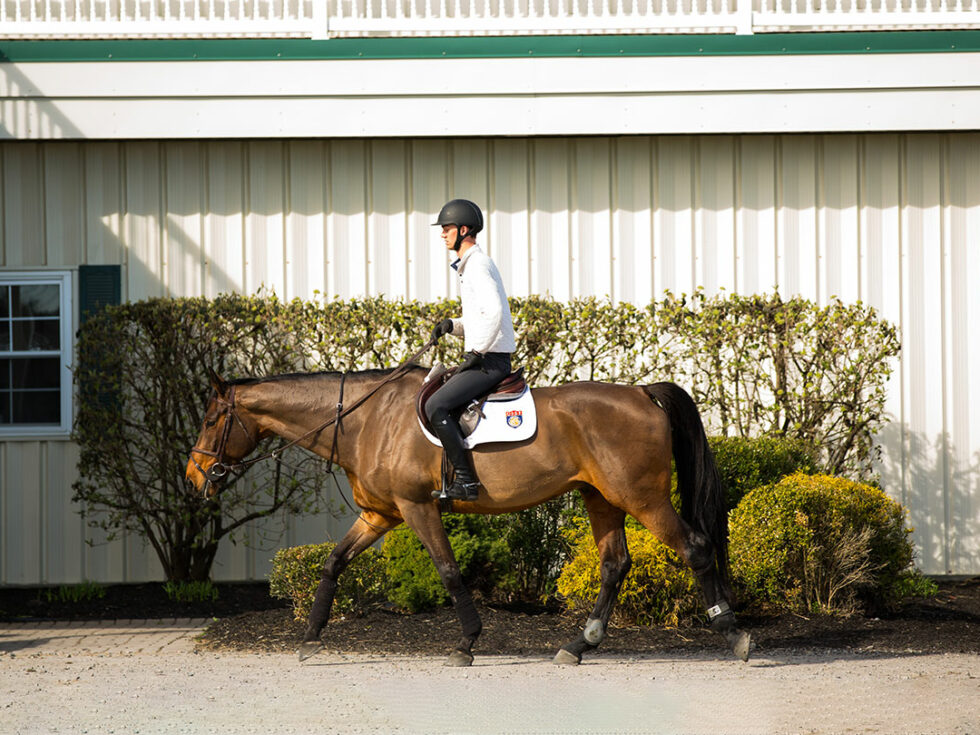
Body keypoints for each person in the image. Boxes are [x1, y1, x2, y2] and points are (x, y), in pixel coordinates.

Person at [426, 199, 516, 501]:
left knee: (435, 406)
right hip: (486, 356)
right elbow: (482, 318)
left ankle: (466, 482)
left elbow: (494, 315)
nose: (442, 234)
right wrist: (453, 325)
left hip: (490, 361)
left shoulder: (477, 264)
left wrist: (476, 352)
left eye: (447, 228)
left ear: (464, 230)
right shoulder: (470, 265)